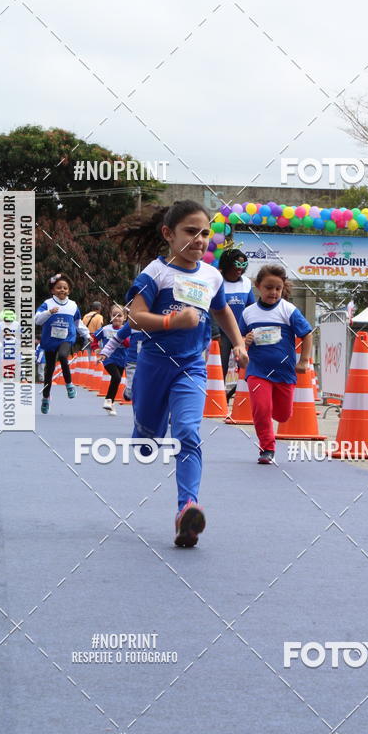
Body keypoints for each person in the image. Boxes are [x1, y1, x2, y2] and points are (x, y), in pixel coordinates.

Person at [99, 200, 248, 548]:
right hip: (154, 363)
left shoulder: (211, 276)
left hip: (192, 366)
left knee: (187, 432)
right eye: (191, 232)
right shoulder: (155, 273)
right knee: (148, 442)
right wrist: (172, 321)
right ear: (168, 234)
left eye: (206, 233)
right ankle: (143, 430)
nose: (200, 240)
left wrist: (238, 343)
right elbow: (134, 317)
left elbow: (222, 311)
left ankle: (186, 510)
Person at [241, 264, 313, 464]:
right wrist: (243, 342)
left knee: (282, 415)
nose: (273, 292)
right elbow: (238, 338)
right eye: (268, 287)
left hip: (284, 372)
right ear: (258, 286)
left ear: (283, 289)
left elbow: (307, 335)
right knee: (261, 409)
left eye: (278, 288)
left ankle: (272, 415)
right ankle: (267, 448)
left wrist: (304, 360)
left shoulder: (288, 310)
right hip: (258, 370)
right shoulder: (248, 313)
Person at [34, 273, 91, 414]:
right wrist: (49, 313)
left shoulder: (72, 305)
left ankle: (69, 384)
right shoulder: (48, 303)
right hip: (50, 340)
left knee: (64, 355)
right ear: (53, 290)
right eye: (59, 287)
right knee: (49, 371)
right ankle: (46, 398)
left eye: (65, 288)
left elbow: (78, 322)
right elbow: (37, 320)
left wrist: (87, 335)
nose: (62, 290)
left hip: (66, 338)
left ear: (69, 291)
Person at [218, 249, 255, 382]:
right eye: (237, 265)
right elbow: (212, 309)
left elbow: (251, 308)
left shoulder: (246, 282)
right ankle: (219, 396)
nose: (240, 269)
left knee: (246, 365)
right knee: (220, 365)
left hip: (241, 333)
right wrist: (215, 334)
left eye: (243, 265)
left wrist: (251, 331)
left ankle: (243, 395)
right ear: (227, 264)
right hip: (222, 333)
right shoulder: (217, 281)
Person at [94, 304, 130, 415]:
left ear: (125, 318)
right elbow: (94, 338)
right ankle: (108, 400)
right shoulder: (105, 329)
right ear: (110, 316)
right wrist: (96, 348)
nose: (117, 318)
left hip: (122, 359)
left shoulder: (126, 329)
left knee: (116, 380)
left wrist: (121, 337)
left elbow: (129, 344)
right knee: (116, 377)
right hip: (108, 359)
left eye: (120, 315)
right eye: (114, 315)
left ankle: (111, 403)